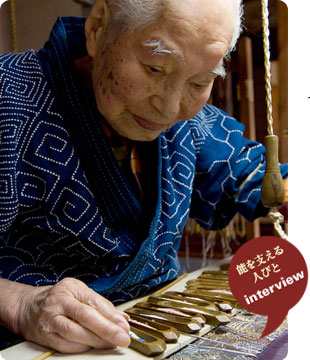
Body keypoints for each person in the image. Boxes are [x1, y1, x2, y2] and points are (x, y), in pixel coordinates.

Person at [0, 0, 287, 354]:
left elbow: (257, 176)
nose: (169, 108)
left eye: (200, 82)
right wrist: (19, 303)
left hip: (167, 327)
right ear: (98, 26)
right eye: (154, 68)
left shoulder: (190, 123)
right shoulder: (8, 96)